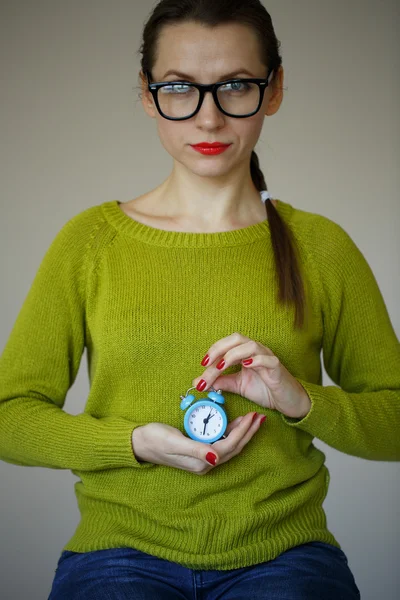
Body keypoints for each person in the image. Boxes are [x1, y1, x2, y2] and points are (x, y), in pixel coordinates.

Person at [0, 0, 399, 598]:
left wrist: (301, 400)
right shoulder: (91, 242)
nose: (208, 119)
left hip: (284, 552)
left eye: (236, 85)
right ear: (145, 91)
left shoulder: (321, 247)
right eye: (180, 88)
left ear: (275, 89)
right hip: (119, 550)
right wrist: (132, 443)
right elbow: (9, 415)